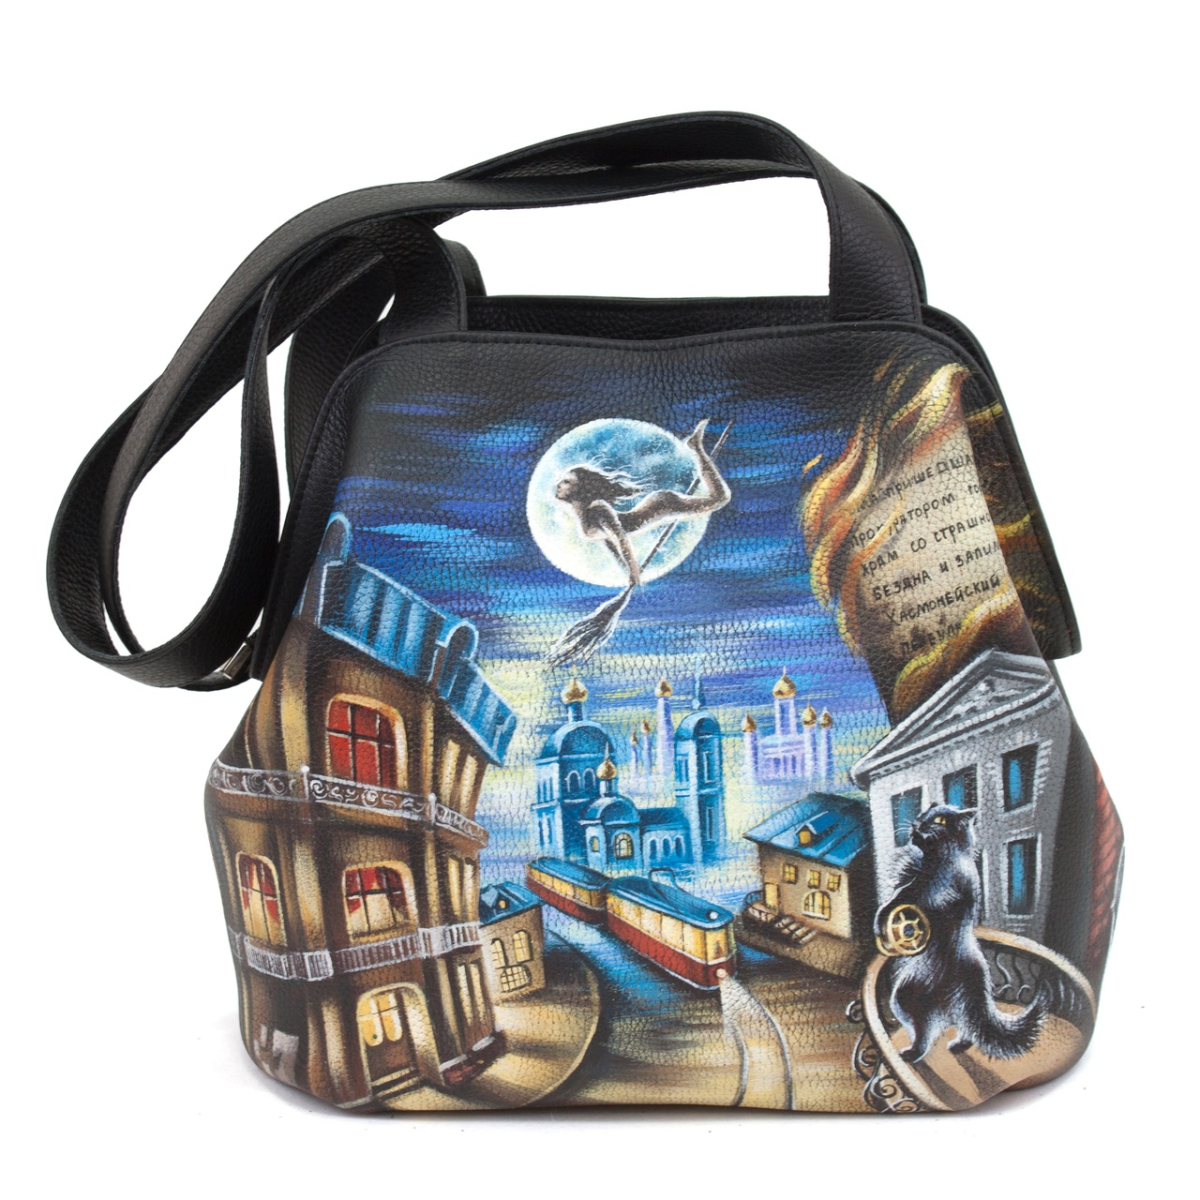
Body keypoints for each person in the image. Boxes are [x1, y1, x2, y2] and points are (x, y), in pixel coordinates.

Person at [554, 419, 731, 589]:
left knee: (720, 498)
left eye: (566, 482)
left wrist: (634, 573)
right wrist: (628, 571)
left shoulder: (598, 509)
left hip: (661, 505)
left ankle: (696, 448)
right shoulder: (585, 515)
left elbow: (620, 539)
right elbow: (609, 541)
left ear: (581, 488)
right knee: (718, 499)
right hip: (657, 505)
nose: (559, 484)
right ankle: (695, 447)